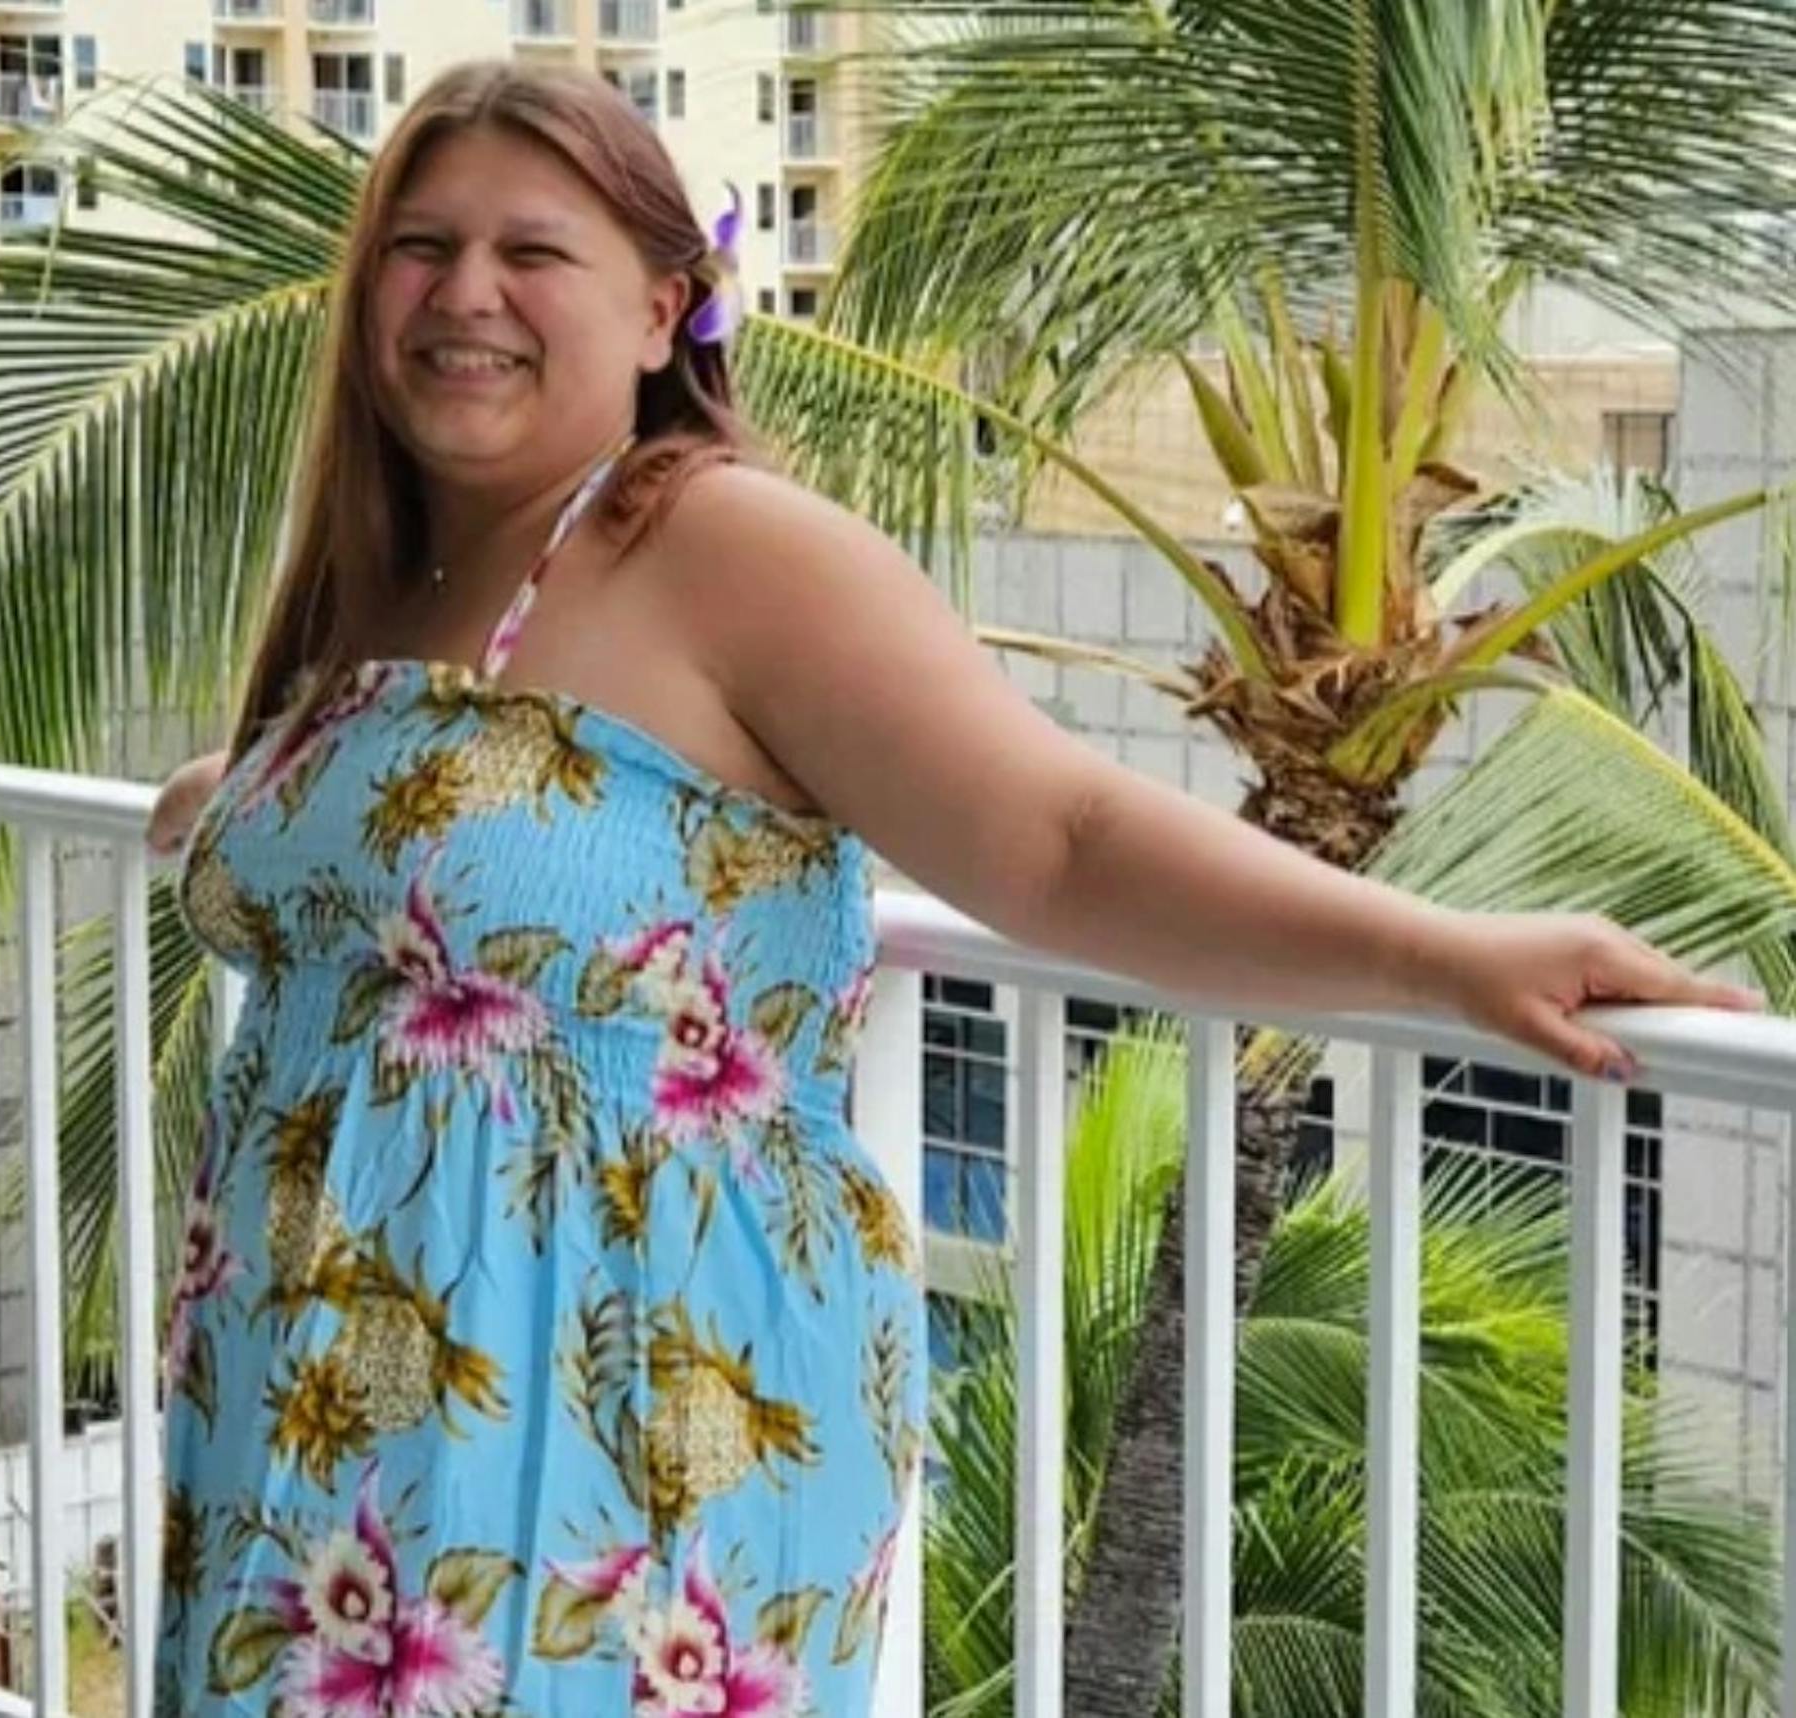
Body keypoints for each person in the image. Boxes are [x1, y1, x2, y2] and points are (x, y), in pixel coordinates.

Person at [146, 58, 1756, 1718]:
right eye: (420, 246)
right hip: (322, 1418)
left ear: (661, 310)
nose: (464, 291)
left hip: (610, 1403)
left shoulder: (721, 549)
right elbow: (457, 820)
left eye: (531, 251)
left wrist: (1442, 955)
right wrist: (267, 796)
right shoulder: (389, 569)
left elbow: (1056, 835)